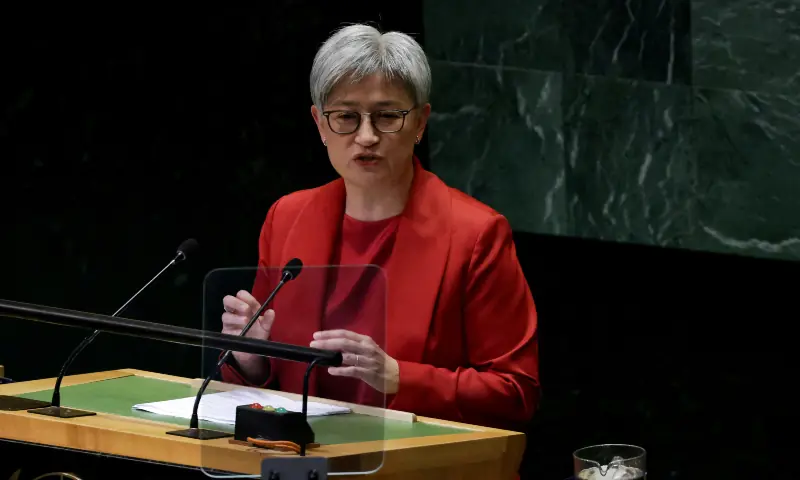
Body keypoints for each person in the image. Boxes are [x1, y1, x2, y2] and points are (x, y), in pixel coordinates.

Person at [219, 23, 540, 431]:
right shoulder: (288, 217)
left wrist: (400, 378)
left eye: (387, 116)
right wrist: (249, 357)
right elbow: (263, 380)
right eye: (346, 117)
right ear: (320, 124)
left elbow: (516, 393)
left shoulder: (476, 235)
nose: (366, 136)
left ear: (421, 122)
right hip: (303, 461)